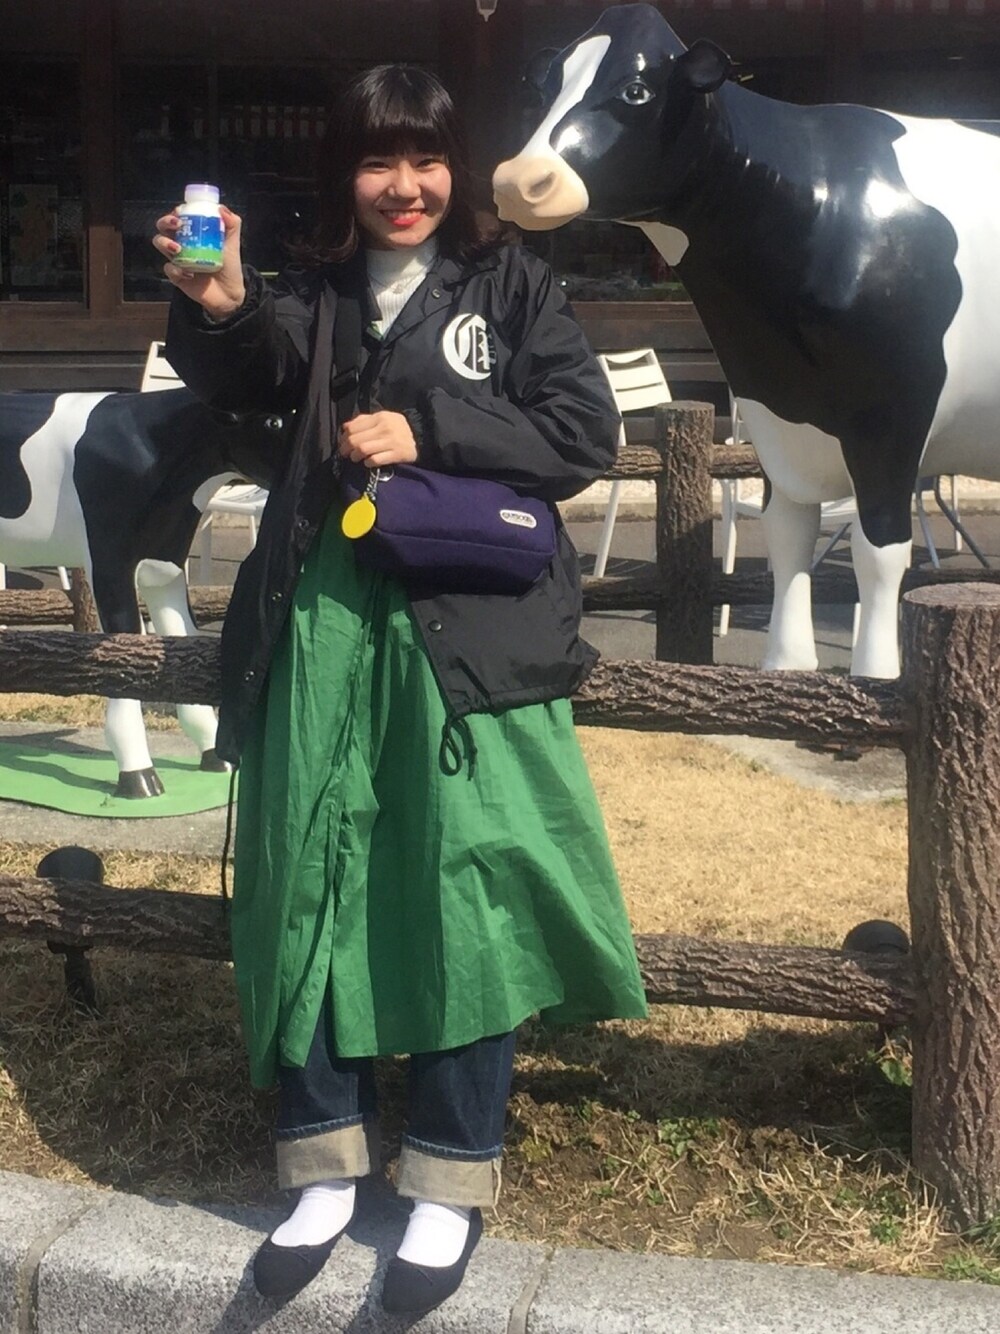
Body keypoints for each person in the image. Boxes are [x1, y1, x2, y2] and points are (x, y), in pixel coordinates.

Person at [154, 64, 647, 1316]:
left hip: (467, 626)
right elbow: (252, 372)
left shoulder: (511, 284)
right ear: (346, 175)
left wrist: (430, 428)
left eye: (425, 158)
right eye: (378, 160)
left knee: (463, 879)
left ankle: (447, 1173)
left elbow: (583, 436)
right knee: (308, 868)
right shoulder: (314, 293)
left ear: (454, 166)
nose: (405, 185)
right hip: (325, 612)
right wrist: (219, 303)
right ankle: (322, 1163)